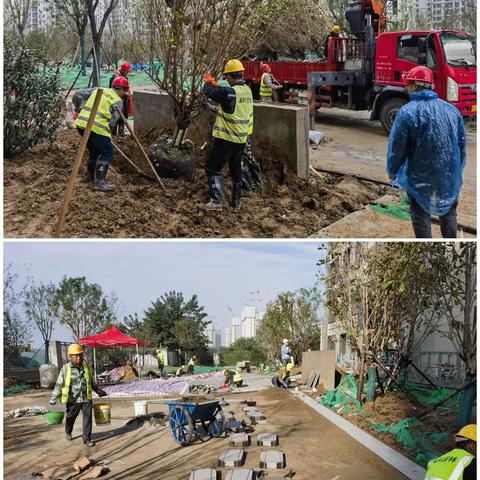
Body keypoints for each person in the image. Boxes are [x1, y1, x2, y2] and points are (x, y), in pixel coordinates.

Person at [386, 65, 466, 238]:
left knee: (421, 216)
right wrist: (457, 170)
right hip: (448, 173)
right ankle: (451, 242)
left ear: (415, 85)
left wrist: (392, 171)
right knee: (449, 212)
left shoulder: (407, 112)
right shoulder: (452, 110)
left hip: (419, 175)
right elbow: (461, 145)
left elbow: (397, 147)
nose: (407, 88)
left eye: (408, 84)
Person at [203, 59, 254, 211]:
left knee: (212, 168)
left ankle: (216, 200)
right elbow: (231, 109)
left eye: (226, 77)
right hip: (241, 139)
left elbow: (211, 92)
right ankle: (236, 202)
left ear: (231, 76)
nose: (226, 80)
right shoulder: (247, 91)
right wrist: (211, 107)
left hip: (226, 139)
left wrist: (207, 82)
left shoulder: (230, 92)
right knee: (235, 169)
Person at [75, 76, 130, 191]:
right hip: (96, 128)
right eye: (125, 90)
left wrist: (80, 108)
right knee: (108, 152)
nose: (125, 93)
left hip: (81, 124)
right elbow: (113, 122)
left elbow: (78, 94)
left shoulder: (98, 89)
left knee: (94, 150)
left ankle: (89, 175)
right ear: (120, 89)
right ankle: (100, 182)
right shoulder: (118, 101)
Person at [50, 343, 107, 447]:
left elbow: (90, 382)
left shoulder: (86, 367)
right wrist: (53, 398)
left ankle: (87, 439)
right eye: (75, 355)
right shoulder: (65, 369)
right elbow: (59, 384)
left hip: (86, 398)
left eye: (80, 355)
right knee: (70, 417)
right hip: (73, 399)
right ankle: (68, 431)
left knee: (88, 419)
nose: (78, 357)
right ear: (70, 356)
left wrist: (98, 391)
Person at [109, 61, 132, 137]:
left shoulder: (123, 77)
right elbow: (114, 90)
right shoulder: (115, 78)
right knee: (116, 117)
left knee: (122, 119)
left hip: (123, 101)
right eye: (127, 71)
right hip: (116, 101)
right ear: (123, 70)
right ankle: (113, 135)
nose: (127, 73)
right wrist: (125, 94)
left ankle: (121, 134)